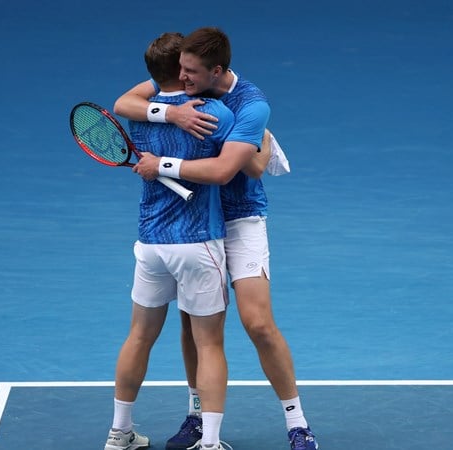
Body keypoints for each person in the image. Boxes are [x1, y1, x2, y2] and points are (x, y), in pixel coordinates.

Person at [114, 27, 319, 450]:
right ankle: (196, 415)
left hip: (239, 219)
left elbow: (245, 170)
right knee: (193, 325)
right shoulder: (184, 78)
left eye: (190, 73)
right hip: (194, 223)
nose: (180, 79)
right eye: (180, 70)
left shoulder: (250, 104)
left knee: (258, 323)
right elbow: (124, 104)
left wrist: (163, 164)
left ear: (216, 71)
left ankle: (297, 422)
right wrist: (172, 114)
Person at [103, 32, 236, 450]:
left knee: (138, 337)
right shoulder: (213, 113)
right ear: (183, 68)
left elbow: (125, 100)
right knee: (210, 343)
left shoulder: (139, 115)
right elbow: (243, 165)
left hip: (151, 245)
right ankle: (210, 442)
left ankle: (119, 432)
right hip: (198, 243)